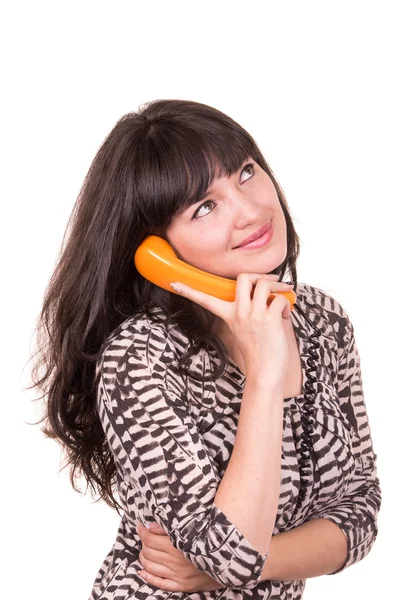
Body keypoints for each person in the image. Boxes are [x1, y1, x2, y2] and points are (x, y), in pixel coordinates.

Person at [29, 99, 382, 600]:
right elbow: (231, 551)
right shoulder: (139, 359)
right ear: (157, 252)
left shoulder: (323, 323)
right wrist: (264, 373)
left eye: (245, 172)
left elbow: (361, 512)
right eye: (205, 207)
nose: (251, 210)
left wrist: (251, 565)